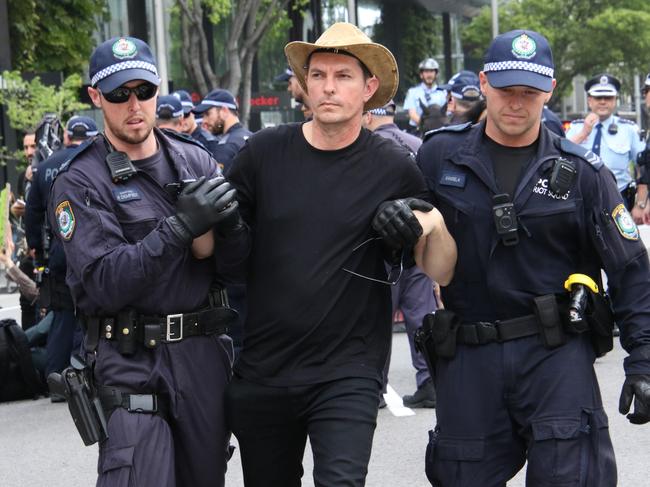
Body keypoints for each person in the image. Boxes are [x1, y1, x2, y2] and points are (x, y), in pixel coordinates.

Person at [409, 29, 650, 486]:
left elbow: (630, 269)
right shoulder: (439, 156)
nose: (516, 103)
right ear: (483, 83)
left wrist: (644, 357)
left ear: (549, 91)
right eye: (505, 90)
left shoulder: (582, 172)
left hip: (555, 355)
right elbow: (399, 240)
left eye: (529, 92)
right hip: (469, 352)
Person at [222, 22, 456, 487]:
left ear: (369, 87)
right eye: (318, 75)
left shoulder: (393, 166)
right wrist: (198, 220)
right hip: (263, 371)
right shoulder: (262, 154)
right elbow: (217, 252)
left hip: (348, 372)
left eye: (343, 76)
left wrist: (431, 221)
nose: (328, 87)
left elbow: (441, 269)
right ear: (304, 84)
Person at [48, 36, 244, 487]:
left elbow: (236, 271)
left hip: (201, 354)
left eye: (144, 91)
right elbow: (105, 281)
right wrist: (179, 227)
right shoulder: (79, 180)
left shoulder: (196, 159)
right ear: (96, 97)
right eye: (119, 94)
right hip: (130, 356)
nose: (134, 104)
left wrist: (233, 228)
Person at [363, 100, 437, 408]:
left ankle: (375, 388)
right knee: (421, 316)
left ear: (369, 114)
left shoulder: (367, 147)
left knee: (376, 320)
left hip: (379, 250)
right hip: (418, 244)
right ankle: (430, 382)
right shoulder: (416, 143)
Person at [25, 115, 98, 395]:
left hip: (59, 250)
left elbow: (32, 214)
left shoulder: (45, 166)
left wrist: (37, 252)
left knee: (62, 316)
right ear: (92, 137)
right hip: (93, 247)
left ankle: (56, 381)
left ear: (67, 137)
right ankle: (91, 376)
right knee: (97, 313)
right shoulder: (97, 161)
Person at [566, 74, 646, 215]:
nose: (603, 102)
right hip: (580, 200)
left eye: (608, 97)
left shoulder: (629, 129)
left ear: (615, 100)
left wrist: (640, 204)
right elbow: (559, 155)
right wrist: (583, 133)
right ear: (589, 100)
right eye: (598, 97)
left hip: (618, 199)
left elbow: (643, 167)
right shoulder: (575, 128)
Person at [193, 88, 252, 173]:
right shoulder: (253, 137)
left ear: (224, 111)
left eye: (207, 114)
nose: (204, 121)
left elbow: (220, 184)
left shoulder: (226, 146)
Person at [403, 58, 447, 134]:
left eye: (431, 71)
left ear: (436, 74)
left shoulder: (443, 93)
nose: (429, 75)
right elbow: (412, 114)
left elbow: (447, 114)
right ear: (421, 75)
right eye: (426, 71)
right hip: (417, 131)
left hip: (439, 131)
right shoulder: (412, 92)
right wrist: (426, 126)